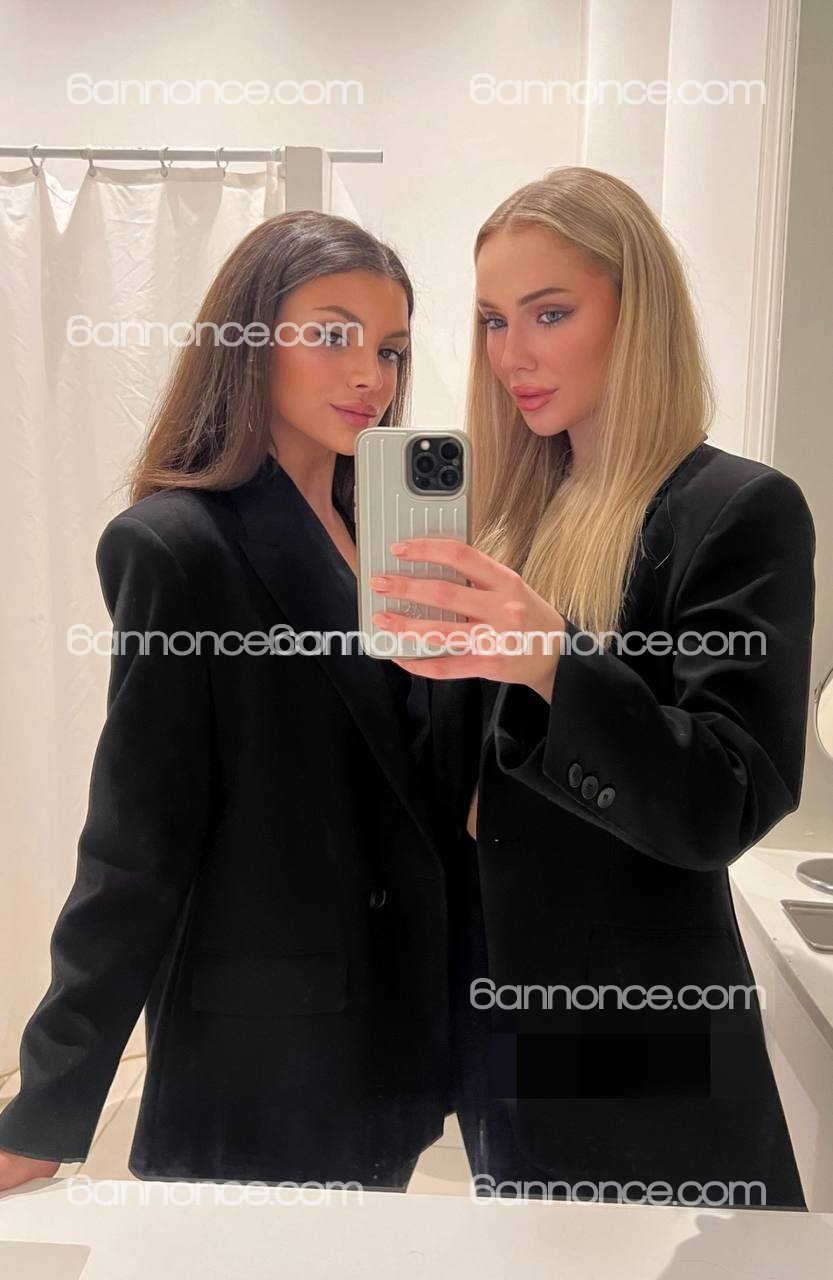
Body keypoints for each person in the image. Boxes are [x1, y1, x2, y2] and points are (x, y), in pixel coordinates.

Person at [368, 167, 815, 1209]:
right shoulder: (507, 516)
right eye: (492, 321)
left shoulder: (734, 510)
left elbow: (725, 799)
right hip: (493, 1009)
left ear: (635, 311)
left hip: (638, 1024)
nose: (510, 356)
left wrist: (551, 660)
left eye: (549, 313)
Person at [0, 211, 450, 1192]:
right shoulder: (179, 548)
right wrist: (49, 1104)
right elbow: (137, 843)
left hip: (397, 1040)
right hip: (260, 1063)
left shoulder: (392, 540)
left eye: (389, 348)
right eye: (330, 334)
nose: (370, 376)